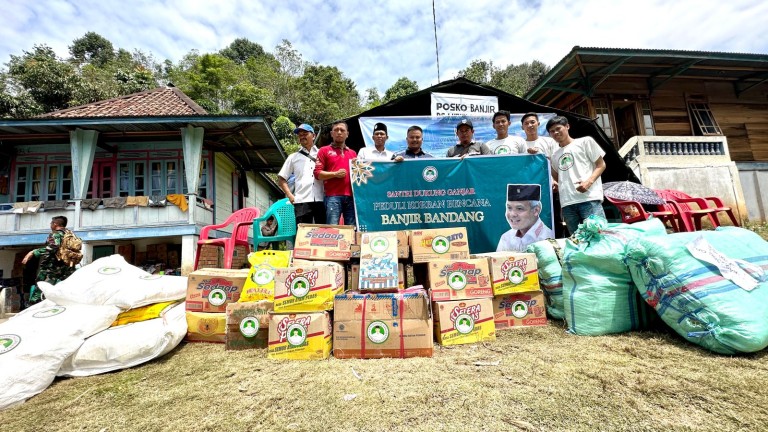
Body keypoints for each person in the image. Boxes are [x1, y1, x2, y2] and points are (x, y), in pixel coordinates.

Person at [547, 116, 607, 234]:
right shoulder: (554, 155)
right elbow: (558, 177)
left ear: (567, 126)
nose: (555, 132)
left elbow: (601, 165)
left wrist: (588, 182)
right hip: (567, 203)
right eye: (552, 131)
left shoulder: (585, 142)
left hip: (589, 199)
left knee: (598, 236)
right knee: (576, 240)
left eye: (558, 128)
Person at [522, 112, 565, 237]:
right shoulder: (521, 145)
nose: (530, 125)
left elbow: (556, 163)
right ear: (522, 127)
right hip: (529, 191)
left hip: (550, 188)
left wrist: (554, 180)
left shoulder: (550, 142)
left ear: (538, 124)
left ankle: (557, 248)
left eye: (532, 122)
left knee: (554, 217)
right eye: (526, 123)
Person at [277, 123, 326, 226]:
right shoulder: (293, 157)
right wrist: (290, 196)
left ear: (313, 136)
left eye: (305, 133)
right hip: (301, 201)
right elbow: (281, 178)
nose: (302, 136)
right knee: (302, 235)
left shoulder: (322, 154)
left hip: (322, 199)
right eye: (300, 134)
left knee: (323, 234)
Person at [21, 215, 76, 304]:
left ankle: (34, 307)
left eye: (51, 223)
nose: (50, 225)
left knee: (41, 287)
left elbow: (54, 247)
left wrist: (34, 252)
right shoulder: (71, 235)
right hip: (68, 267)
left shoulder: (55, 234)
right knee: (66, 290)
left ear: (55, 224)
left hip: (52, 268)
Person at [314, 121, 357, 225]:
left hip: (351, 197)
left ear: (347, 134)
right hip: (332, 196)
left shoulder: (353, 153)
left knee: (351, 230)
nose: (339, 132)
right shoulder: (324, 150)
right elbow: (317, 174)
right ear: (331, 133)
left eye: (342, 130)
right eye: (336, 130)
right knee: (332, 229)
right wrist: (335, 174)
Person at [497, 184, 555, 252]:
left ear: (536, 210)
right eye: (509, 208)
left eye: (519, 208)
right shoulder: (506, 237)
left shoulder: (548, 238)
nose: (512, 214)